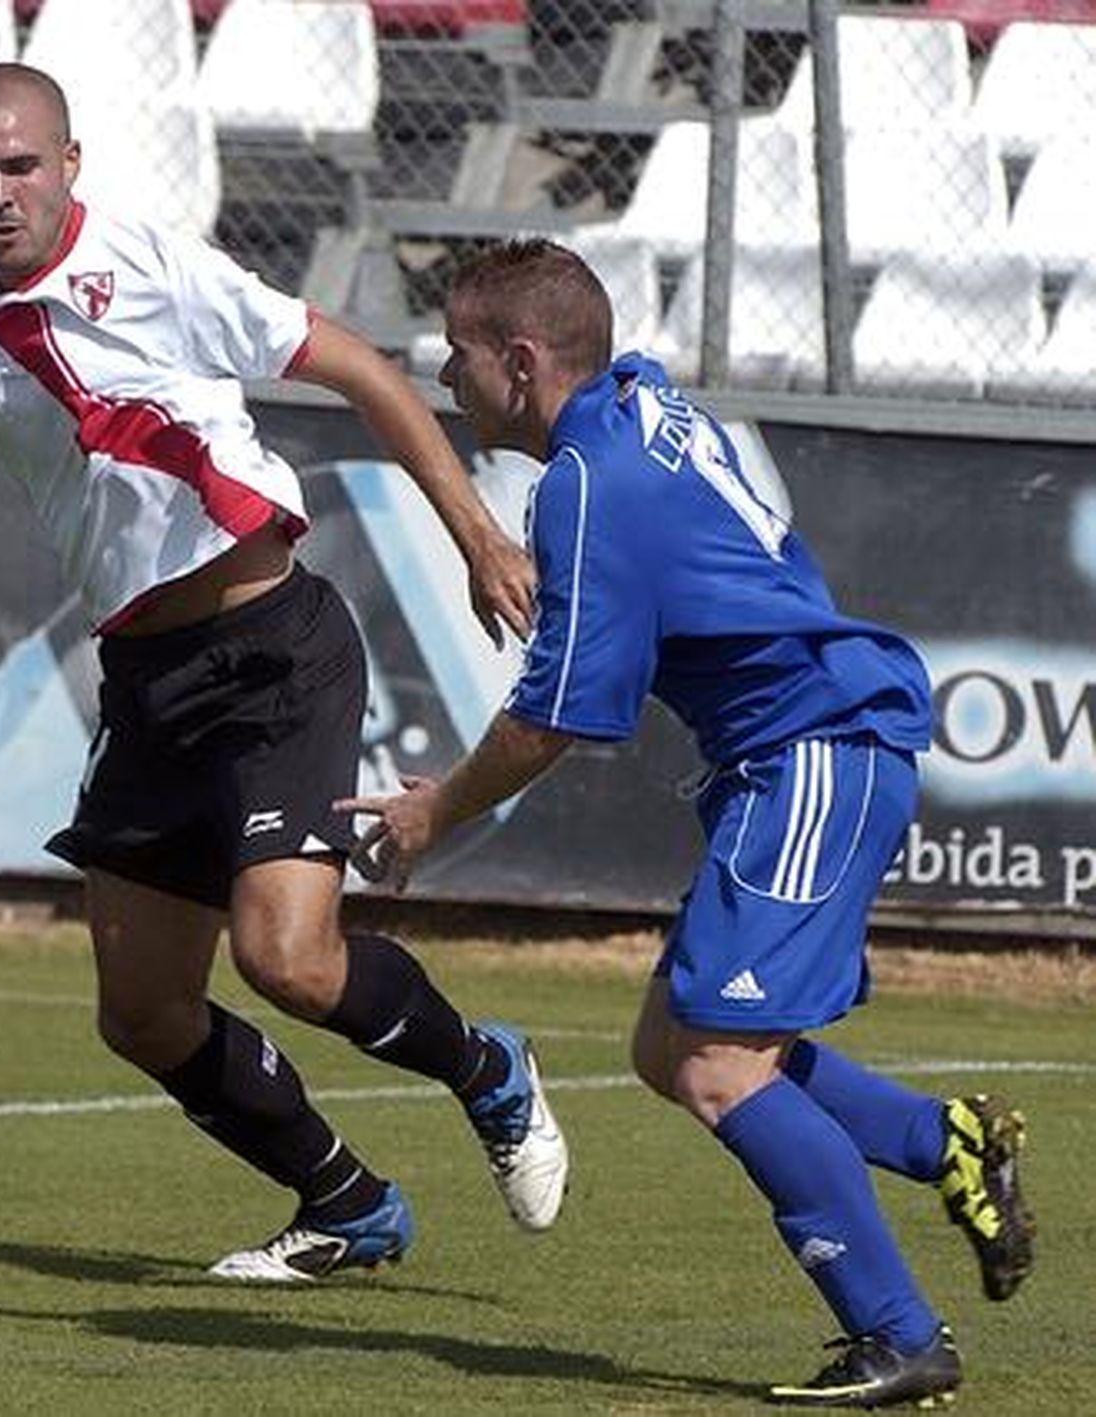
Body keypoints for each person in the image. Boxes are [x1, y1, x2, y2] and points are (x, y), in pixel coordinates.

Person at [0, 65, 568, 1281]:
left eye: (20, 166)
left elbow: (366, 372)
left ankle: (488, 1069)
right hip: (148, 676)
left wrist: (480, 534)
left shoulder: (155, 268)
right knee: (142, 1011)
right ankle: (345, 1200)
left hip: (276, 647)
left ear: (69, 162)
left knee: (287, 960)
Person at [341, 240, 1035, 1404]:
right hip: (806, 753)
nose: (441, 372)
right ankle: (944, 1143)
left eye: (455, 350)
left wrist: (430, 816)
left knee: (717, 1063)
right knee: (668, 1048)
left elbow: (553, 720)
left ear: (518, 360)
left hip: (815, 755)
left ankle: (900, 1334)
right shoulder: (638, 399)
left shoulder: (585, 485)